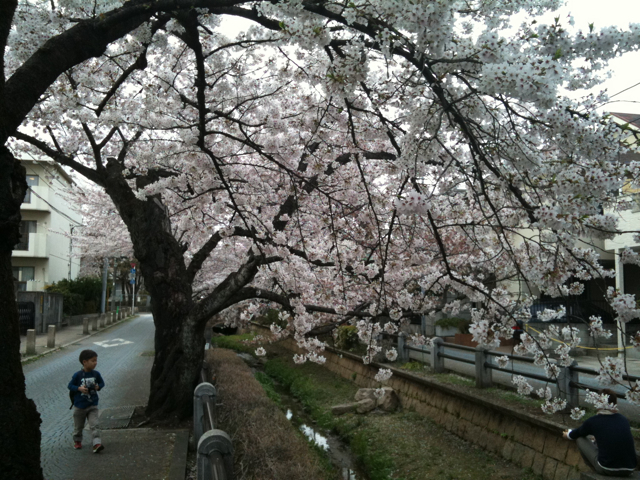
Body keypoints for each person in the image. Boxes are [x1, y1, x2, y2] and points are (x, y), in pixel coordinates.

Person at [562, 389, 637, 476]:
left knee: (580, 438)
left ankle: (594, 471)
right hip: (630, 468)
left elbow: (576, 434)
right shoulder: (623, 419)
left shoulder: (594, 421)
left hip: (607, 467)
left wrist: (567, 434)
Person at [68, 349, 105, 453]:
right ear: (85, 362)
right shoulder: (77, 375)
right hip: (79, 406)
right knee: (78, 426)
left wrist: (98, 387)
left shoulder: (96, 374)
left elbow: (102, 383)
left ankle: (96, 443)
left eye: (96, 360)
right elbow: (70, 385)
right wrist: (79, 389)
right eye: (93, 361)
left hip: (92, 405)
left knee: (95, 425)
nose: (95, 363)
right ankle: (77, 441)